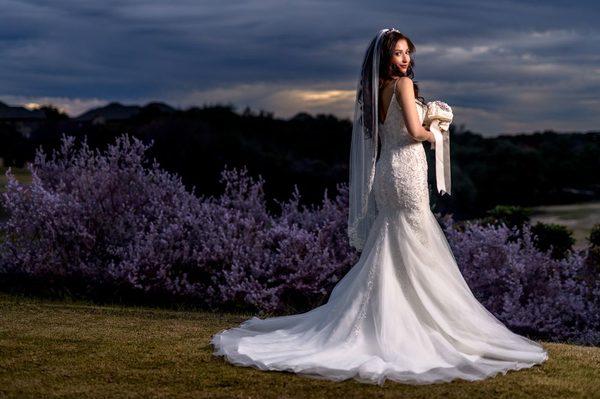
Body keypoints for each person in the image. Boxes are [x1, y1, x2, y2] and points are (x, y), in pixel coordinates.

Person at [210, 28, 548, 385]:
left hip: (386, 171)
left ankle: (387, 318)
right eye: (399, 53)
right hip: (407, 168)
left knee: (394, 239)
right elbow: (415, 132)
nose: (405, 59)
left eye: (407, 53)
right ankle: (419, 321)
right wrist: (437, 129)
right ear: (386, 56)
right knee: (414, 239)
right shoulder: (402, 86)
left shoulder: (375, 91)